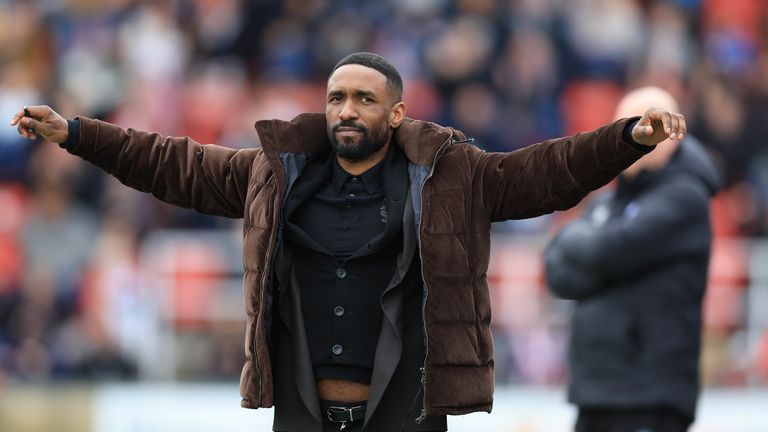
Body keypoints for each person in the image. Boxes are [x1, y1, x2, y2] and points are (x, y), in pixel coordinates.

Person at [11, 53, 685, 432]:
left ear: (396, 112)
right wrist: (76, 133)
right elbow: (171, 163)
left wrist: (628, 139)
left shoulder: (450, 177)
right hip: (304, 414)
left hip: (405, 416)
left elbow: (547, 172)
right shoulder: (274, 175)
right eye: (337, 98)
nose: (346, 111)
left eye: (364, 99)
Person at [544, 86, 721, 432]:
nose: (635, 134)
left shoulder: (685, 197)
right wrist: (590, 252)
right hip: (596, 388)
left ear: (673, 132)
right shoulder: (610, 200)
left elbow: (611, 250)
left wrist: (574, 242)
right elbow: (557, 273)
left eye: (646, 125)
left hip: (649, 393)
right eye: (626, 125)